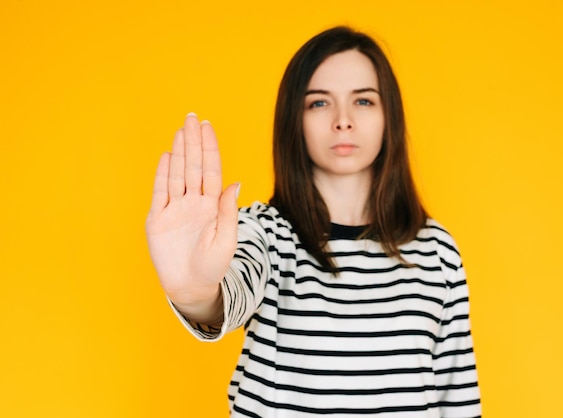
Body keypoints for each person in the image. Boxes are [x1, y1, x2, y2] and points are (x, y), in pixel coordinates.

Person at [146, 26, 481, 418]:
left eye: (364, 101)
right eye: (319, 103)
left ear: (391, 114)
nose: (343, 120)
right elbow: (228, 296)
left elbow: (456, 397)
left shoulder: (438, 251)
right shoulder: (264, 235)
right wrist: (195, 294)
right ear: (295, 119)